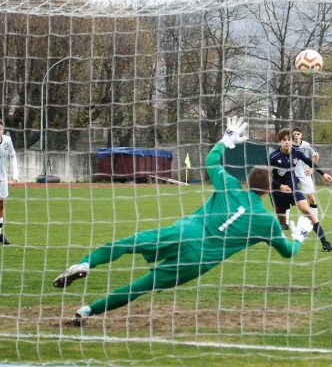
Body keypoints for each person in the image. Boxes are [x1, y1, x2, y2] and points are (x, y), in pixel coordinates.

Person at [52, 117, 315, 326]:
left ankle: (86, 262)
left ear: (248, 180)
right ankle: (86, 311)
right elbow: (288, 253)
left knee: (126, 244)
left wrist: (226, 139)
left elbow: (211, 161)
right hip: (199, 259)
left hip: (183, 231)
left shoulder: (230, 185)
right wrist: (300, 234)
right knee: (141, 286)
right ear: (270, 191)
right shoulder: (266, 222)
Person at [268, 128, 332, 252]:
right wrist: (279, 186)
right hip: (278, 192)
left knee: (306, 210)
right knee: (282, 224)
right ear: (280, 142)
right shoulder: (273, 157)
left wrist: (323, 174)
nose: (287, 142)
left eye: (289, 140)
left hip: (293, 187)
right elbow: (266, 177)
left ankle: (325, 242)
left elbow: (309, 161)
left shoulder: (296, 152)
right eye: (284, 140)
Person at [292, 127, 321, 220]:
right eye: (294, 134)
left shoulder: (306, 145)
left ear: (301, 135)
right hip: (293, 175)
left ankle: (315, 219)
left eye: (298, 134)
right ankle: (284, 222)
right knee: (288, 199)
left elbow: (316, 155)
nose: (296, 135)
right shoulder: (289, 145)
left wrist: (312, 168)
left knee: (311, 198)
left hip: (305, 174)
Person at [0, 122, 18, 245]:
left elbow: (13, 156)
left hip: (2, 179)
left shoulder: (7, 140)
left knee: (1, 206)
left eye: (0, 128)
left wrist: (15, 176)